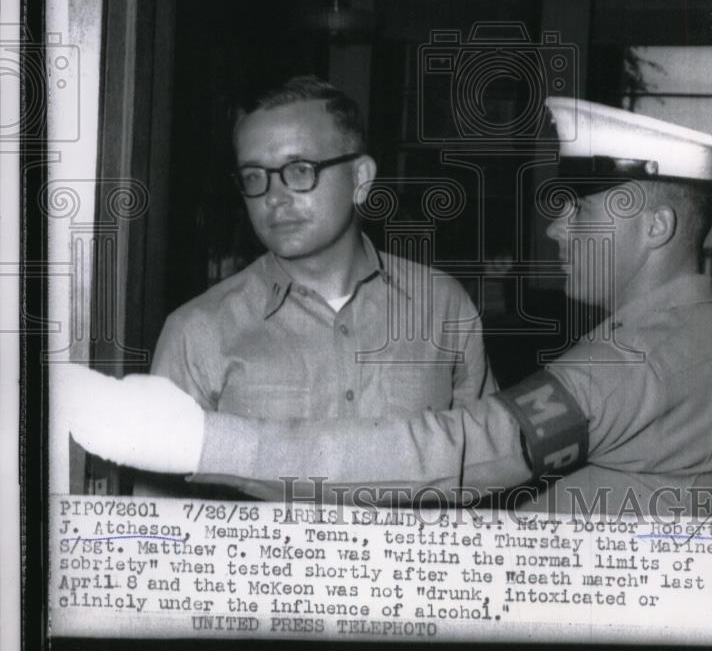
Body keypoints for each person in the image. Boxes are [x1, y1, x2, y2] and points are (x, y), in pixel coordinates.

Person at [59, 96, 712, 517]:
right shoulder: (675, 336)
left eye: (578, 209)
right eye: (253, 178)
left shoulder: (643, 358)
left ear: (655, 227)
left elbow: (465, 452)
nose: (555, 227)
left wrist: (202, 440)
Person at [144, 75, 495, 497]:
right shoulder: (196, 330)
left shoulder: (443, 307)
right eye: (255, 177)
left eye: (299, 170)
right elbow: (158, 522)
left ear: (361, 177)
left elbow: (488, 469)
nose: (273, 197)